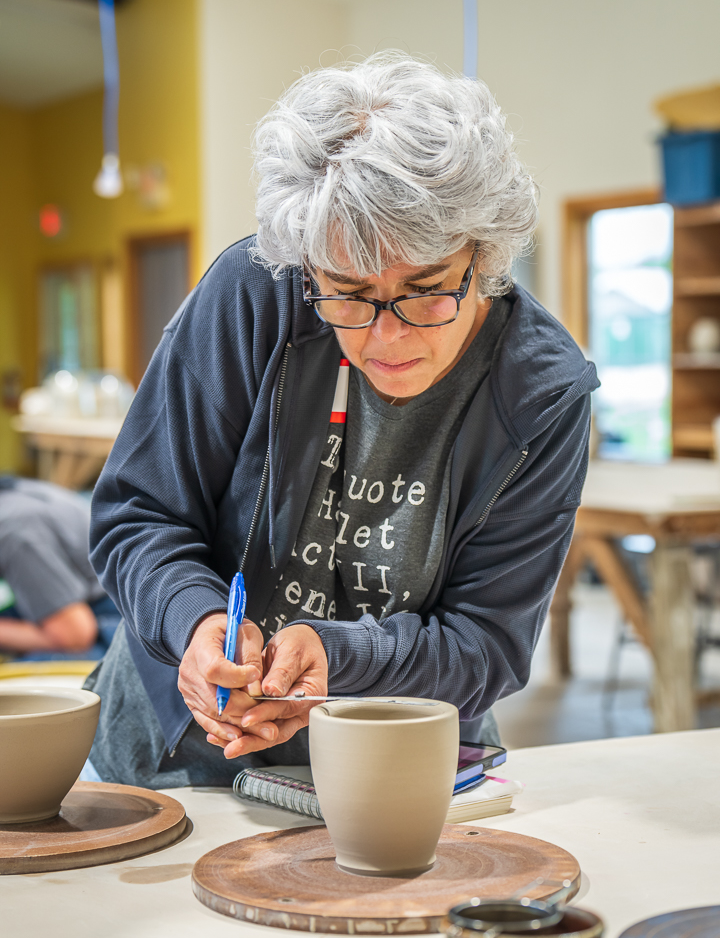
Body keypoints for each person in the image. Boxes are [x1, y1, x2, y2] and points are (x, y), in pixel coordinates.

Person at [86, 53, 598, 788]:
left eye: (425, 293)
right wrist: (195, 625)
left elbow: (489, 641)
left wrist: (343, 658)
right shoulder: (253, 297)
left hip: (394, 757)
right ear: (306, 269)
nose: (385, 338)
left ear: (484, 257)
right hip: (174, 745)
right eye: (348, 295)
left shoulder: (541, 391)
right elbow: (138, 513)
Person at [0, 477, 120, 660]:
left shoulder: (14, 533)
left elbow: (75, 637)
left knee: (20, 676)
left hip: (113, 617)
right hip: (89, 593)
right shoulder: (15, 492)